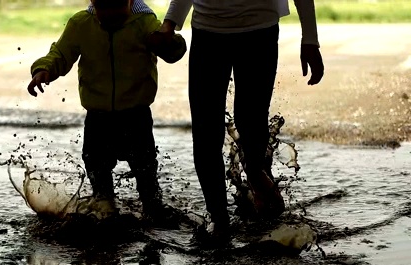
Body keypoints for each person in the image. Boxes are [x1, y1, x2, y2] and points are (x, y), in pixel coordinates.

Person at [158, 0, 325, 241]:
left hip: (260, 29)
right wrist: (169, 24)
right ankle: (218, 217)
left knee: (252, 122)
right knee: (205, 130)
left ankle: (256, 177)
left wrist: (310, 38)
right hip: (208, 30)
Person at [27, 0, 187, 221]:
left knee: (145, 166)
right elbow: (60, 54)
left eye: (117, 6)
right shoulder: (81, 24)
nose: (111, 13)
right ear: (93, 2)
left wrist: (168, 43)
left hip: (136, 114)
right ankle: (105, 208)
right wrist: (43, 69)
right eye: (104, 7)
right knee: (96, 165)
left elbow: (172, 51)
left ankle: (153, 208)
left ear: (130, 1)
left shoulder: (144, 23)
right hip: (98, 117)